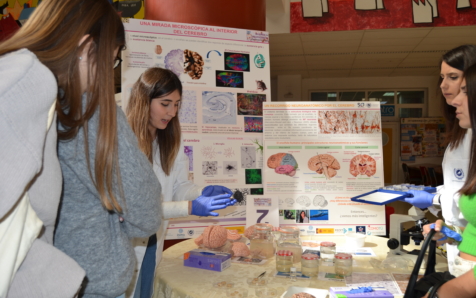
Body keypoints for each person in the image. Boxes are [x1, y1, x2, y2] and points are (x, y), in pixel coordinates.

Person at [18, 1, 164, 298]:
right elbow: (147, 211)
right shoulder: (87, 109)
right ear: (86, 48)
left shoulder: (21, 91)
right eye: (111, 60)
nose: (106, 75)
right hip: (85, 284)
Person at [125, 67, 236, 298]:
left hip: (153, 240)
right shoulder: (124, 142)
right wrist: (189, 207)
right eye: (165, 104)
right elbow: (134, 208)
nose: (172, 112)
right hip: (127, 242)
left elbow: (178, 187)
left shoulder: (169, 138)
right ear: (143, 100)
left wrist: (201, 192)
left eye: (176, 104)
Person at [404, 45, 476, 274]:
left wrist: (435, 198)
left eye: (454, 78)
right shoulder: (461, 130)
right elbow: (460, 185)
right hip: (463, 246)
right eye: (442, 77)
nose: (444, 85)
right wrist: (435, 197)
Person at [422, 63, 476, 298]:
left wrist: (449, 291)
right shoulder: (464, 135)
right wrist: (455, 233)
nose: (454, 99)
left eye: (465, 90)